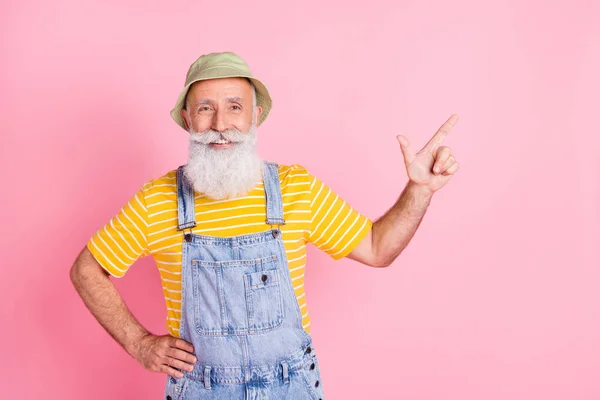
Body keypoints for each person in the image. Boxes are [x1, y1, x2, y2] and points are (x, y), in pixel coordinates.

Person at [69, 51, 460, 399]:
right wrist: (139, 344)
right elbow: (87, 269)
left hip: (291, 386)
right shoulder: (157, 200)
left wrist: (419, 189)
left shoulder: (295, 188)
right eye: (205, 108)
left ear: (255, 116)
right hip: (201, 390)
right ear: (188, 119)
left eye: (234, 106)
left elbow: (378, 247)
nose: (220, 123)